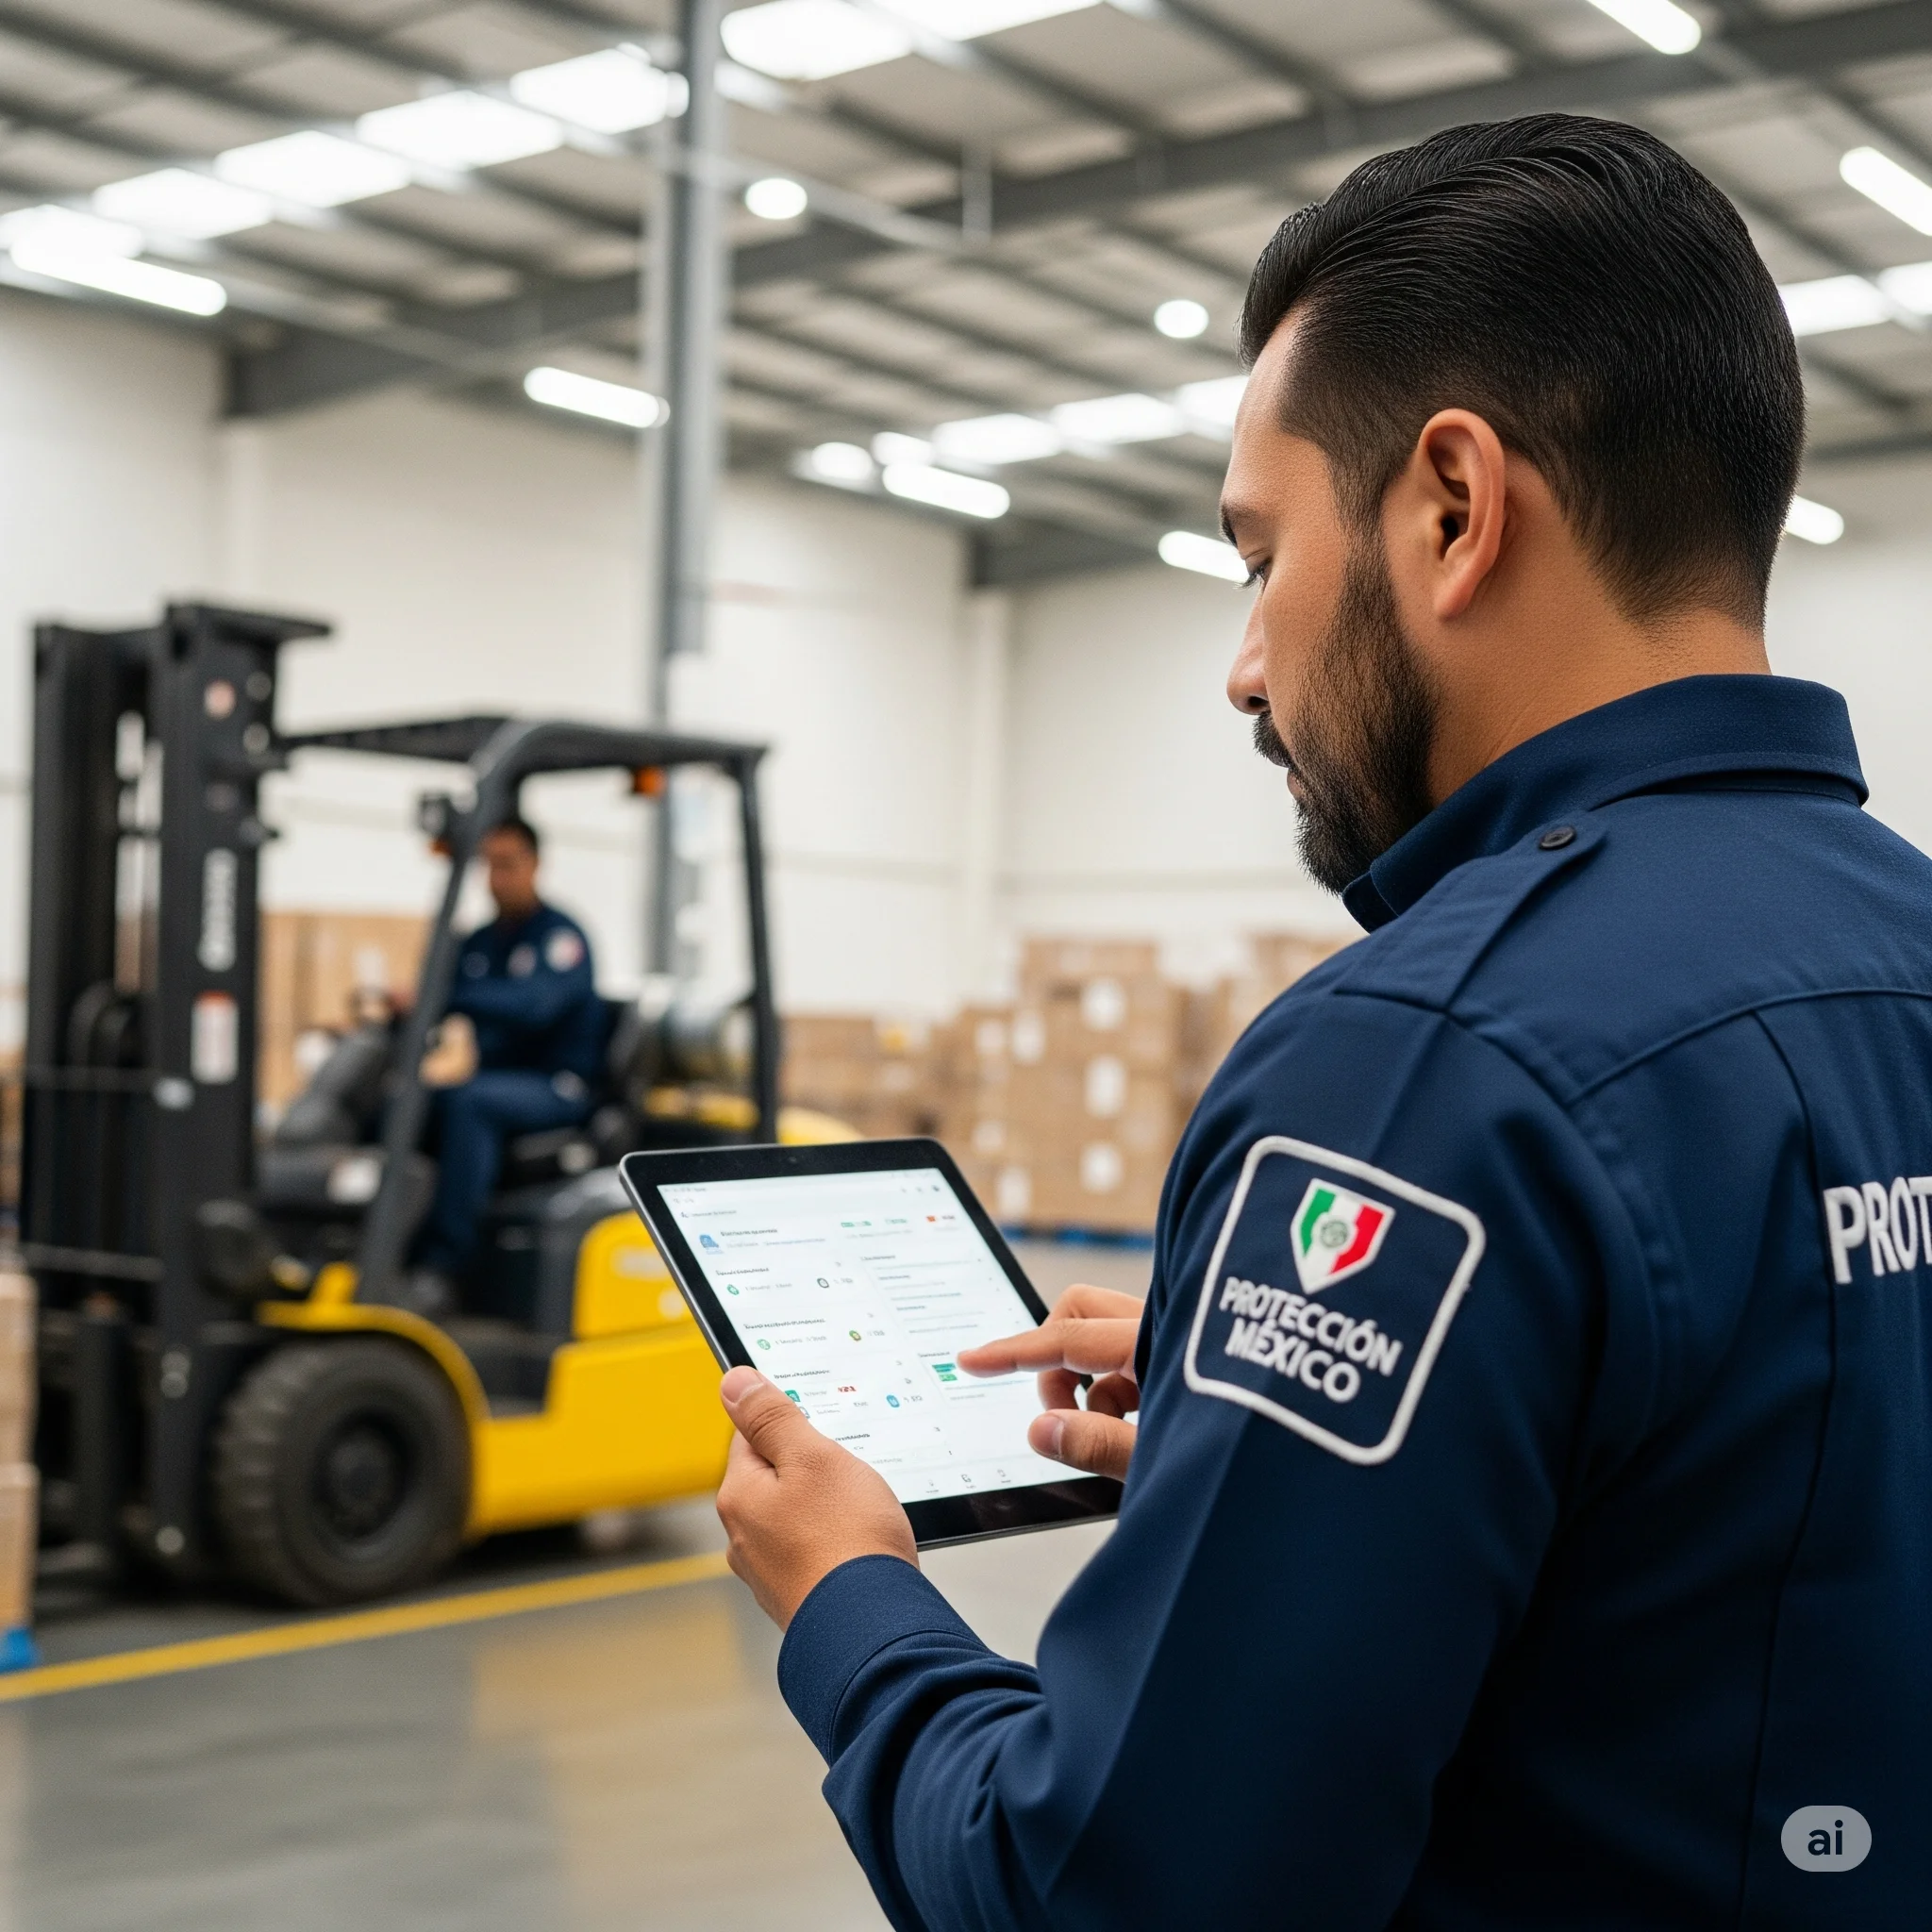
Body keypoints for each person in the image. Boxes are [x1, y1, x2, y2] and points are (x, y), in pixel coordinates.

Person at [708, 113, 1929, 1927]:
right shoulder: (1895, 944)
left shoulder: (1425, 1063)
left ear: (1452, 507)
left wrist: (852, 1603)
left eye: (1257, 554)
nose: (1244, 663)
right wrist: (1277, 1438)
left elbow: (1113, 1887)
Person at [408, 817, 605, 1309]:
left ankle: (446, 1266)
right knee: (408, 1103)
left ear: (536, 864)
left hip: (559, 1088)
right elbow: (442, 995)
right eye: (489, 866)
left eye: (508, 865)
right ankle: (388, 1245)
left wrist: (452, 997)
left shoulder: (561, 939)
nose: (497, 879)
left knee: (470, 1104)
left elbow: (533, 1006)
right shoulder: (480, 942)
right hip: (500, 1082)